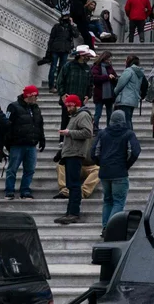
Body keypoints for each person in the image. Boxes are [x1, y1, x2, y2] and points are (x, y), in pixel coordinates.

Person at [91, 109, 141, 230]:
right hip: (120, 172)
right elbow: (135, 151)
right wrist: (126, 165)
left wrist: (101, 163)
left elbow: (93, 152)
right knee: (118, 202)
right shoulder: (128, 133)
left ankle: (104, 227)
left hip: (105, 172)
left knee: (107, 201)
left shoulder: (102, 133)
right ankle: (111, 229)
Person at [55, 94, 93, 225]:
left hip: (76, 154)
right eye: (67, 105)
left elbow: (88, 133)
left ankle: (73, 213)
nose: (68, 108)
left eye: (70, 105)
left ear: (76, 104)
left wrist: (68, 133)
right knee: (71, 185)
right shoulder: (76, 116)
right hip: (70, 153)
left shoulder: (83, 115)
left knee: (74, 185)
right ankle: (69, 212)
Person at [3, 86, 44, 201]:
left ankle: (25, 190)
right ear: (29, 95)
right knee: (12, 169)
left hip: (31, 144)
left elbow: (39, 124)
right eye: (35, 96)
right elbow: (7, 125)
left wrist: (41, 138)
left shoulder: (35, 108)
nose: (37, 98)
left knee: (30, 169)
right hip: (17, 144)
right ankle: (9, 190)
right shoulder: (14, 107)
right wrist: (7, 143)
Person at [56, 46, 94, 130]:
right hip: (67, 100)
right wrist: (62, 94)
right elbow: (60, 81)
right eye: (86, 55)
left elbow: (90, 84)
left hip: (80, 101)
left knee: (79, 122)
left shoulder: (87, 68)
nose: (88, 58)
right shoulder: (68, 66)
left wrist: (88, 95)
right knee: (65, 121)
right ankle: (62, 141)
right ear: (81, 55)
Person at [114, 54, 145, 129]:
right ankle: (130, 136)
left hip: (125, 99)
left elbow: (120, 84)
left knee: (125, 120)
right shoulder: (138, 73)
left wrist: (115, 91)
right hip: (133, 99)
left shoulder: (129, 71)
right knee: (129, 119)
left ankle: (129, 137)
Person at [44, 12, 74, 88]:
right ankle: (51, 86)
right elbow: (51, 39)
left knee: (61, 68)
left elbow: (76, 34)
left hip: (65, 49)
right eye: (65, 17)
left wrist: (72, 25)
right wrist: (49, 50)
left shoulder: (70, 28)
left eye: (67, 17)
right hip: (55, 49)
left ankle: (58, 85)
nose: (66, 19)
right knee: (53, 67)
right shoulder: (56, 26)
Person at [90, 49, 118, 129]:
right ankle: (95, 128)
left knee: (110, 113)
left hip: (109, 94)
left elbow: (115, 76)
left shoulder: (110, 67)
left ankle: (109, 128)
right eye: (108, 58)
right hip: (100, 94)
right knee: (97, 114)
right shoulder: (96, 67)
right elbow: (94, 78)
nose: (109, 60)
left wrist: (114, 78)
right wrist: (107, 77)